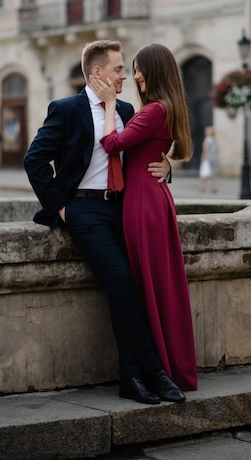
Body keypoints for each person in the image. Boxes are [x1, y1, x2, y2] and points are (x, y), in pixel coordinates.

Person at [24, 40, 187, 405]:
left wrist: (167, 169)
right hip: (85, 211)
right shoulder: (66, 109)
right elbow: (34, 160)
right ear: (97, 73)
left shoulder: (127, 109)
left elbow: (145, 151)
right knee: (121, 278)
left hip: (124, 208)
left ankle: (131, 376)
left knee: (134, 286)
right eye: (117, 70)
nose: (125, 77)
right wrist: (61, 209)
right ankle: (154, 371)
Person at [89, 43, 197, 392]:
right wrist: (166, 168)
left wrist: (106, 104)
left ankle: (156, 367)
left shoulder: (153, 110)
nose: (134, 76)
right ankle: (160, 365)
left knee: (146, 283)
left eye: (139, 69)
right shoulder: (165, 108)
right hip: (152, 196)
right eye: (130, 68)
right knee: (156, 283)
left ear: (156, 71)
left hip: (142, 202)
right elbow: (154, 151)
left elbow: (111, 144)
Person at [199, 126, 219, 193]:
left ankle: (203, 186)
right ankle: (214, 186)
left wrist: (203, 157)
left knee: (204, 172)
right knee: (214, 172)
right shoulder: (214, 139)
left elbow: (206, 149)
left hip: (208, 158)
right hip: (214, 157)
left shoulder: (207, 139)